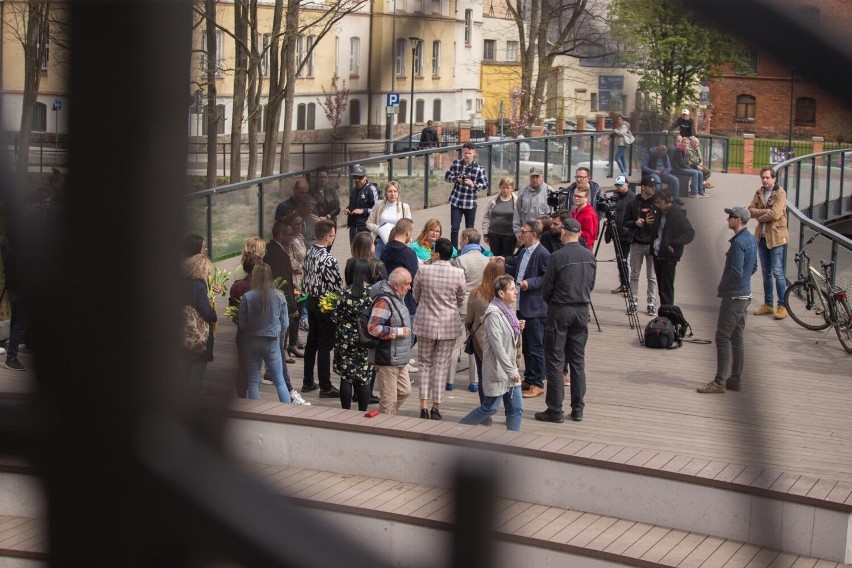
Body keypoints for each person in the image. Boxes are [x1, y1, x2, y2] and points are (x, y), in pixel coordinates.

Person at [536, 217, 596, 423]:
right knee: (577, 360)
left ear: (564, 233)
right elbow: (591, 284)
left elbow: (546, 289)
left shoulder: (556, 257)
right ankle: (578, 408)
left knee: (555, 359)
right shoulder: (589, 256)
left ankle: (555, 409)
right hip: (581, 310)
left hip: (560, 310)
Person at [698, 206, 758, 394]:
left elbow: (736, 271)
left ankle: (719, 382)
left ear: (738, 220)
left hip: (734, 296)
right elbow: (754, 267)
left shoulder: (739, 243)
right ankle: (735, 380)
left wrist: (724, 286)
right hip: (745, 294)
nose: (727, 220)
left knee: (723, 337)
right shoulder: (751, 240)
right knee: (737, 337)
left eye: (730, 217)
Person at [459, 275, 524, 431]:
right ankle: (457, 430)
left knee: (516, 408)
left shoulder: (508, 311)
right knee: (490, 407)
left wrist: (518, 327)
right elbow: (497, 346)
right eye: (512, 289)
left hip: (509, 369)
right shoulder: (494, 314)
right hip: (499, 369)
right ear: (501, 294)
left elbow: (508, 335)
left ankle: (511, 443)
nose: (516, 292)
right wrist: (511, 371)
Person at [412, 238, 465, 420]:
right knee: (441, 366)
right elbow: (460, 299)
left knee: (425, 364)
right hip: (448, 324)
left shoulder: (423, 270)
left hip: (426, 321)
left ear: (436, 253)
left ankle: (423, 405)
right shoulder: (458, 273)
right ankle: (436, 406)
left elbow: (415, 294)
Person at [505, 221, 549, 399]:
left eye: (524, 232)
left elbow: (546, 277)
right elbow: (516, 270)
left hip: (536, 308)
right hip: (521, 305)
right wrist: (501, 263)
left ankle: (538, 382)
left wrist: (529, 283)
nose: (520, 234)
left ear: (535, 234)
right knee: (527, 346)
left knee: (536, 346)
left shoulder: (543, 254)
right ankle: (530, 378)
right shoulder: (523, 251)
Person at [301, 220, 344, 398]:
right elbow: (337, 285)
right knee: (325, 345)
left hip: (310, 301)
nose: (333, 238)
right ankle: (326, 386)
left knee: (312, 342)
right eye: (333, 235)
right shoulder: (328, 259)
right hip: (325, 304)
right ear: (328, 237)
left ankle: (308, 381)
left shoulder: (309, 252)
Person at [238, 263, 292, 403]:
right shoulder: (279, 296)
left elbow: (242, 324)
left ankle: (255, 413)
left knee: (253, 381)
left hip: (251, 340)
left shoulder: (247, 297)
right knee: (279, 380)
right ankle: (287, 411)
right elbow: (285, 323)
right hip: (272, 340)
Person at [367, 268, 414, 415]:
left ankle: (386, 416)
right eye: (407, 284)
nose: (409, 287)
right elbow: (373, 328)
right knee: (389, 401)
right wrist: (398, 332)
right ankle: (384, 426)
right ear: (395, 285)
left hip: (399, 357)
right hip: (387, 357)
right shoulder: (384, 301)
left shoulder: (397, 297)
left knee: (404, 391)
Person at [449, 228, 491, 392]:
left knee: (455, 343)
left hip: (463, 303)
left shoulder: (460, 260)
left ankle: (450, 380)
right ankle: (474, 381)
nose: (460, 242)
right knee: (476, 343)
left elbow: (456, 285)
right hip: (481, 303)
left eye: (461, 239)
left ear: (466, 239)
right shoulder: (487, 260)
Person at [465, 258, 507, 411]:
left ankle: (486, 409)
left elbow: (469, 319)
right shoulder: (507, 294)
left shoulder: (476, 293)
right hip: (504, 341)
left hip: (480, 340)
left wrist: (469, 327)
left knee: (483, 375)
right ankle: (509, 409)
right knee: (506, 374)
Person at [333, 258, 375, 411]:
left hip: (345, 340)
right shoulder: (372, 294)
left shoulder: (345, 292)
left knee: (346, 376)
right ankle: (362, 411)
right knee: (364, 378)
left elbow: (335, 317)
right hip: (365, 339)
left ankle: (345, 411)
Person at [749, 166, 790, 320]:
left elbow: (776, 213)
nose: (765, 180)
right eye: (763, 178)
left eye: (768, 178)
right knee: (766, 273)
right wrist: (765, 212)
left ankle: (782, 306)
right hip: (762, 237)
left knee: (777, 272)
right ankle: (768, 304)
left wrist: (761, 214)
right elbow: (750, 210)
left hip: (777, 237)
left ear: (774, 179)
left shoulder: (780, 192)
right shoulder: (759, 192)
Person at [264, 220, 302, 361]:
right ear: (280, 235)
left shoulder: (270, 249)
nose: (291, 238)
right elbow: (283, 282)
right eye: (288, 235)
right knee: (281, 330)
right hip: (280, 300)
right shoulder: (279, 254)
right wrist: (292, 306)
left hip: (272, 297)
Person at [181, 254, 218, 396]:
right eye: (207, 270)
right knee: (198, 366)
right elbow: (205, 310)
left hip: (184, 331)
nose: (209, 273)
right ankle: (194, 397)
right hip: (198, 333)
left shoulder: (183, 282)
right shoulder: (199, 286)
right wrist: (213, 316)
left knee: (185, 364)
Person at [650, 189, 695, 307]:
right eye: (655, 202)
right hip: (657, 254)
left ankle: (667, 314)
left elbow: (690, 233)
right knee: (661, 288)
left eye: (659, 202)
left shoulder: (677, 213)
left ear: (666, 201)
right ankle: (664, 312)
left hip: (669, 256)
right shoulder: (658, 212)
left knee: (666, 289)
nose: (657, 205)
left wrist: (673, 243)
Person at [623, 176, 659, 316]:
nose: (653, 188)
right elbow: (625, 222)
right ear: (643, 187)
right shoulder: (633, 203)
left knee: (652, 276)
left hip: (651, 244)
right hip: (637, 243)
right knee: (634, 275)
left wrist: (652, 223)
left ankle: (651, 303)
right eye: (650, 186)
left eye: (654, 186)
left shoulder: (656, 203)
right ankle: (633, 301)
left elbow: (661, 223)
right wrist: (635, 223)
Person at [444, 142, 488, 249]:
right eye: (465, 153)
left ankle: (469, 249)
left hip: (470, 202)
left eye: (469, 153)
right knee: (454, 228)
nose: (467, 155)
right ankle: (454, 250)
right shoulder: (456, 164)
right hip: (456, 200)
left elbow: (485, 185)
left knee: (470, 229)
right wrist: (455, 179)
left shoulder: (479, 168)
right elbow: (447, 176)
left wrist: (473, 184)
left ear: (474, 153)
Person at [366, 180, 412, 261]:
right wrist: (379, 229)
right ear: (386, 193)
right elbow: (369, 223)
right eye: (390, 191)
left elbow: (409, 227)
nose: (392, 194)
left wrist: (408, 242)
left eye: (395, 191)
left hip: (397, 243)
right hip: (380, 241)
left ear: (398, 193)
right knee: (378, 267)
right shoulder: (378, 205)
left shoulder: (404, 207)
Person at [609, 175, 636, 301]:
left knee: (626, 260)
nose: (619, 187)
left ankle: (628, 286)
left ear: (627, 184)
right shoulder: (615, 196)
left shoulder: (633, 198)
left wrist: (630, 232)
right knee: (620, 260)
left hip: (627, 234)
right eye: (617, 185)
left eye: (621, 185)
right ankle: (623, 284)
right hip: (617, 233)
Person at [482, 176, 518, 257]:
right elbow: (486, 217)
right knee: (494, 258)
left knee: (507, 259)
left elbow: (520, 219)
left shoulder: (516, 201)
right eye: (503, 187)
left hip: (510, 235)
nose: (505, 190)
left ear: (512, 188)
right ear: (500, 187)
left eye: (508, 188)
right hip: (494, 234)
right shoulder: (493, 200)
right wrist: (485, 233)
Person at [512, 167, 554, 237]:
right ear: (529, 178)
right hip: (526, 233)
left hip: (543, 235)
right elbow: (517, 213)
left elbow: (554, 215)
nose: (535, 180)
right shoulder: (523, 191)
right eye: (532, 177)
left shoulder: (550, 192)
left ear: (542, 177)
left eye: (537, 177)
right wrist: (518, 232)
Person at [344, 164, 379, 243]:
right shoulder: (354, 190)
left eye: (360, 177)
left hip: (365, 227)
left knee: (364, 252)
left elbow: (377, 209)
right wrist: (348, 209)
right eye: (355, 177)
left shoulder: (370, 189)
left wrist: (363, 210)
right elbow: (353, 205)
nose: (357, 180)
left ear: (366, 177)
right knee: (354, 250)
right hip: (353, 226)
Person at [570, 186, 599, 251]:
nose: (576, 198)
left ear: (586, 198)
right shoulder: (574, 211)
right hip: (574, 246)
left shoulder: (589, 214)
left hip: (583, 249)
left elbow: (589, 238)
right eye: (575, 195)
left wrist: (573, 232)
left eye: (579, 196)